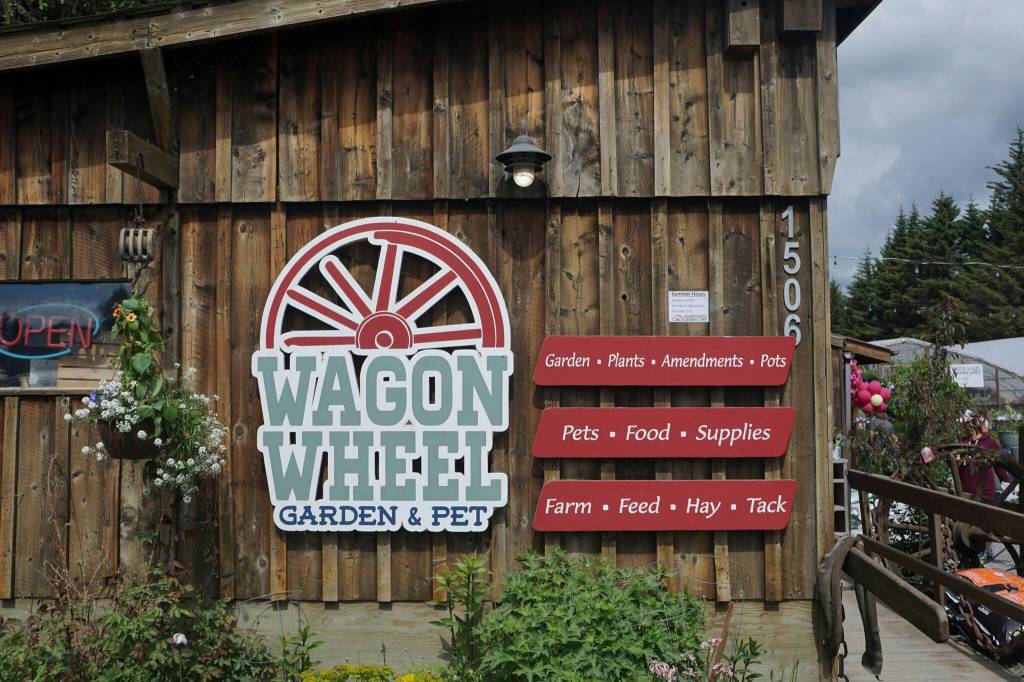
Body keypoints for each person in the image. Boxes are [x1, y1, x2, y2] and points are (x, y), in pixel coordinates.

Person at [958, 410, 1011, 500]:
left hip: (985, 493)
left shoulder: (990, 443)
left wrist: (1007, 484)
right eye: (966, 424)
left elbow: (1000, 466)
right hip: (965, 492)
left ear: (977, 424)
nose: (967, 426)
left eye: (969, 423)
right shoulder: (962, 443)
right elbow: (958, 465)